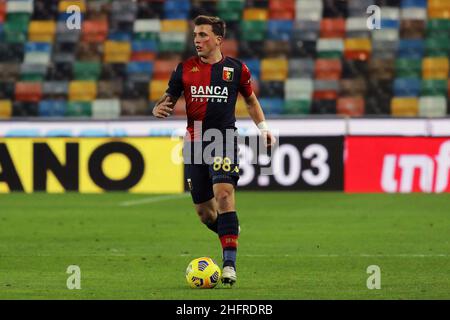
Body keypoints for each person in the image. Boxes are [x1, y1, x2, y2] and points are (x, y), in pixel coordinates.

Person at [152, 15, 276, 286]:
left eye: (203, 35)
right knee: (205, 213)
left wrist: (264, 128)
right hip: (194, 143)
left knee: (223, 194)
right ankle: (229, 228)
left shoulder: (236, 69)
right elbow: (168, 99)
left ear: (218, 39)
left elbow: (251, 102)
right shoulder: (183, 69)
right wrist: (158, 107)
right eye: (195, 35)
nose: (197, 40)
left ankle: (229, 265)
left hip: (223, 140)